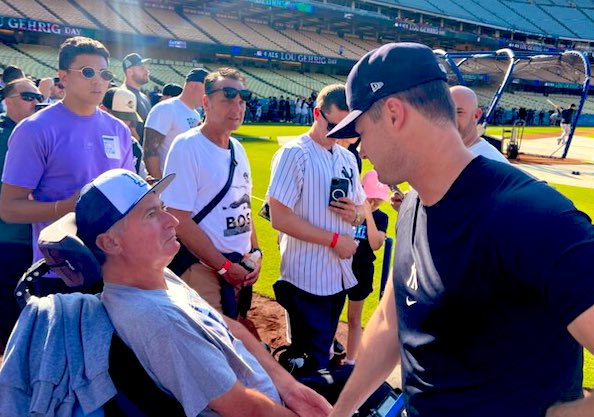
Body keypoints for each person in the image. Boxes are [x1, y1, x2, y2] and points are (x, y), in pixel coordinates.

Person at [326, 42, 594, 417]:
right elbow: (391, 320)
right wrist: (340, 413)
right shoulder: (414, 207)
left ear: (393, 114)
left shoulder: (531, 216)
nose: (360, 147)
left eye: (360, 129)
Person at [68, 168, 332, 417]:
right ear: (110, 242)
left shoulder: (155, 276)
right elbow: (243, 408)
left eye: (163, 207)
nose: (171, 221)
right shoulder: (158, 319)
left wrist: (289, 386)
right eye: (151, 214)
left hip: (276, 397)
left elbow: (230, 328)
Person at [0, 36, 133, 296]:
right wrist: (67, 208)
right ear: (63, 77)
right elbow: (9, 209)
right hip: (60, 271)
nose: (98, 80)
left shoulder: (118, 130)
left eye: (104, 73)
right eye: (87, 72)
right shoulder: (34, 129)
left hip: (115, 268)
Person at [267, 83, 365, 372]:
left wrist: (356, 214)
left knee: (320, 353)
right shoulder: (294, 153)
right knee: (308, 363)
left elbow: (362, 209)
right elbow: (279, 218)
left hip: (338, 274)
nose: (339, 134)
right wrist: (335, 239)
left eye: (347, 128)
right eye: (334, 125)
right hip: (305, 278)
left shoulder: (347, 157)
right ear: (317, 113)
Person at [162, 67, 261, 318]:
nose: (236, 107)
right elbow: (178, 220)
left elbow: (244, 205)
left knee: (236, 333)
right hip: (202, 270)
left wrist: (256, 253)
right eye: (227, 99)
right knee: (212, 343)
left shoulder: (237, 148)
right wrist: (224, 267)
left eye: (241, 101)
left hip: (238, 267)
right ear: (205, 102)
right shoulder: (187, 147)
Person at [0, 78, 43, 352]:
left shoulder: (35, 132)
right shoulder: (4, 134)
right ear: (8, 99)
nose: (35, 101)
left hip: (32, 237)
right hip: (9, 237)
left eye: (37, 96)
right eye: (28, 96)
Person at [344, 170, 389, 365]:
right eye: (372, 196)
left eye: (379, 198)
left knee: (354, 318)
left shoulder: (381, 217)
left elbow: (375, 244)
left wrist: (369, 215)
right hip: (338, 267)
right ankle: (326, 352)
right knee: (329, 312)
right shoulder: (348, 210)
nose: (375, 201)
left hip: (361, 271)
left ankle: (351, 360)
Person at [143, 68, 207, 179]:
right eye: (208, 89)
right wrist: (159, 184)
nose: (209, 95)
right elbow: (150, 149)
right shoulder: (166, 108)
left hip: (185, 183)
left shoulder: (195, 114)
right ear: (193, 85)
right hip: (168, 185)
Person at [449, 85, 509, 164]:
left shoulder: (491, 163)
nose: (449, 118)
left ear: (476, 115)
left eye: (459, 112)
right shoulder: (444, 153)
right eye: (445, 111)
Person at [101, 87, 147, 178]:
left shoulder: (134, 145)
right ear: (103, 110)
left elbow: (141, 176)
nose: (125, 123)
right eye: (120, 117)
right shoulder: (88, 138)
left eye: (129, 118)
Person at [122, 52, 152, 142]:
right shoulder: (124, 95)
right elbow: (129, 130)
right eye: (142, 68)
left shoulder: (143, 96)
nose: (147, 71)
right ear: (129, 72)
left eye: (146, 68)